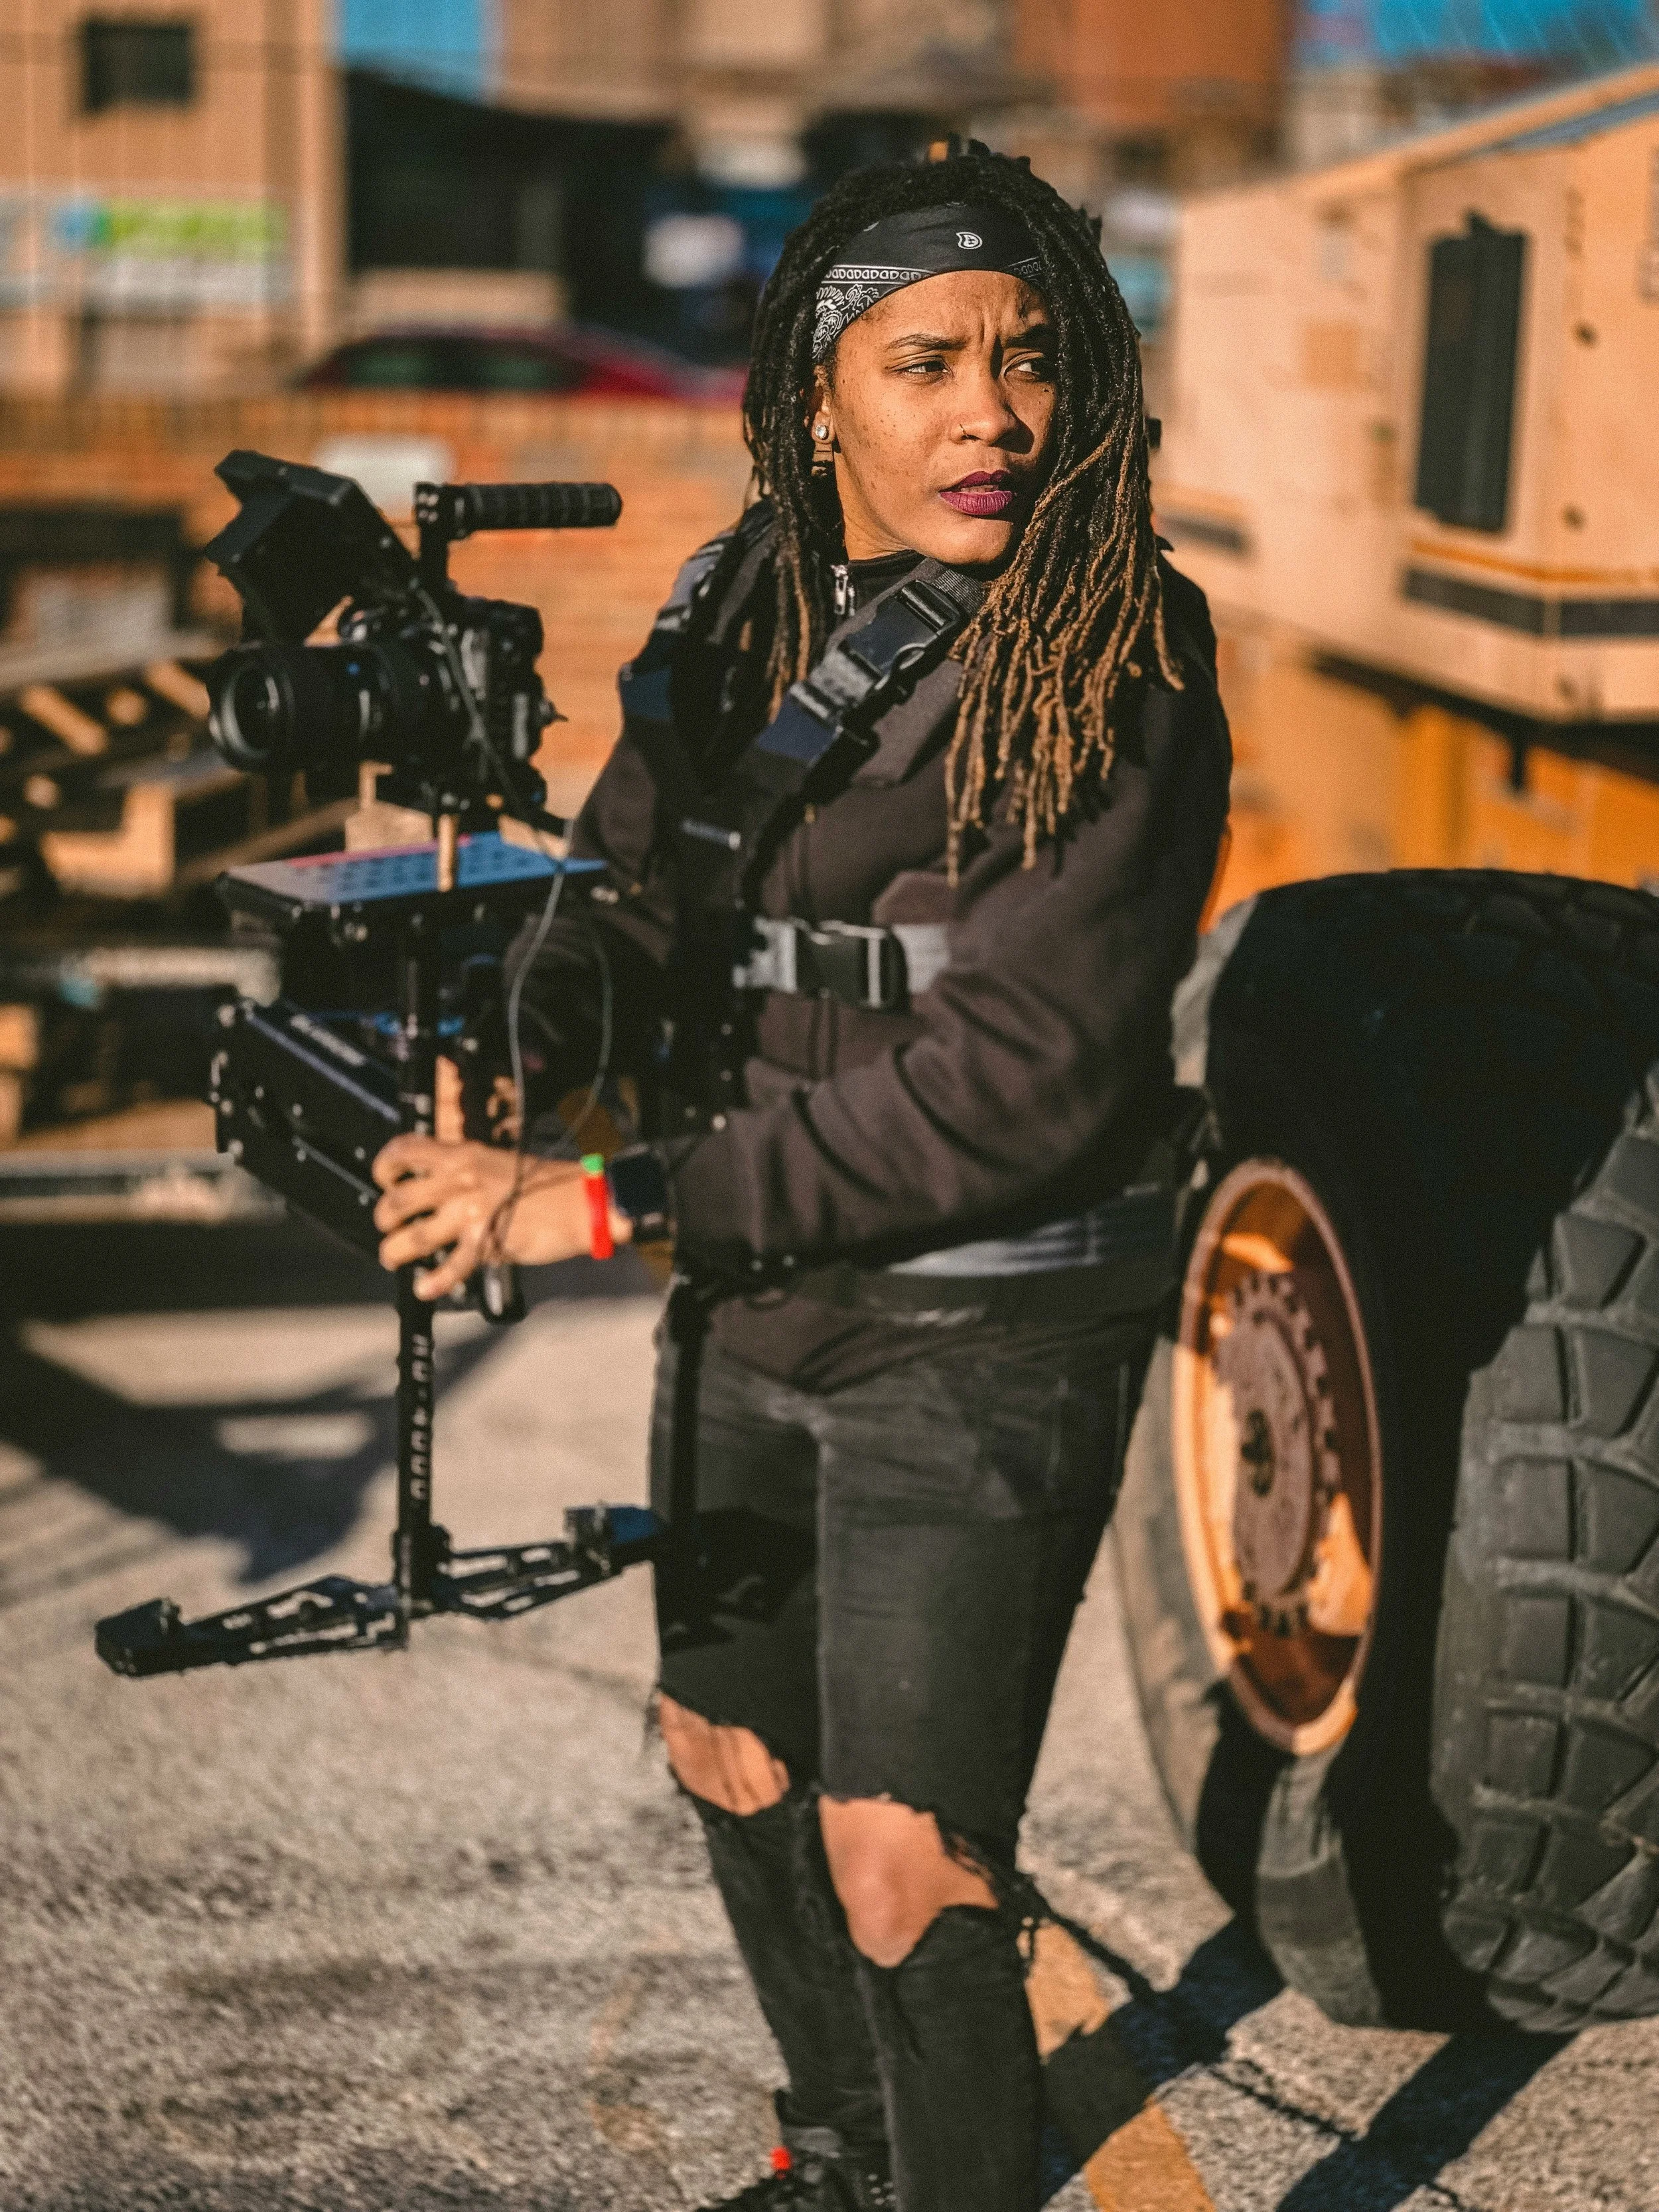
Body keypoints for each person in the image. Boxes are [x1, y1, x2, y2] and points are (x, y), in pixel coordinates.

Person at [372, 143, 1230, 2212]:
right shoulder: (733, 599)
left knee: (902, 1856)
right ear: (816, 391)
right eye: (926, 362)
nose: (992, 414)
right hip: (758, 1302)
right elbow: (623, 900)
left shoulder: (1114, 642)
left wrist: (603, 1201)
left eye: (1030, 362)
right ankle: (848, 2155)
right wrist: (519, 1050)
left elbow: (1016, 1078)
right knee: (730, 1750)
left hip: (991, 1314)